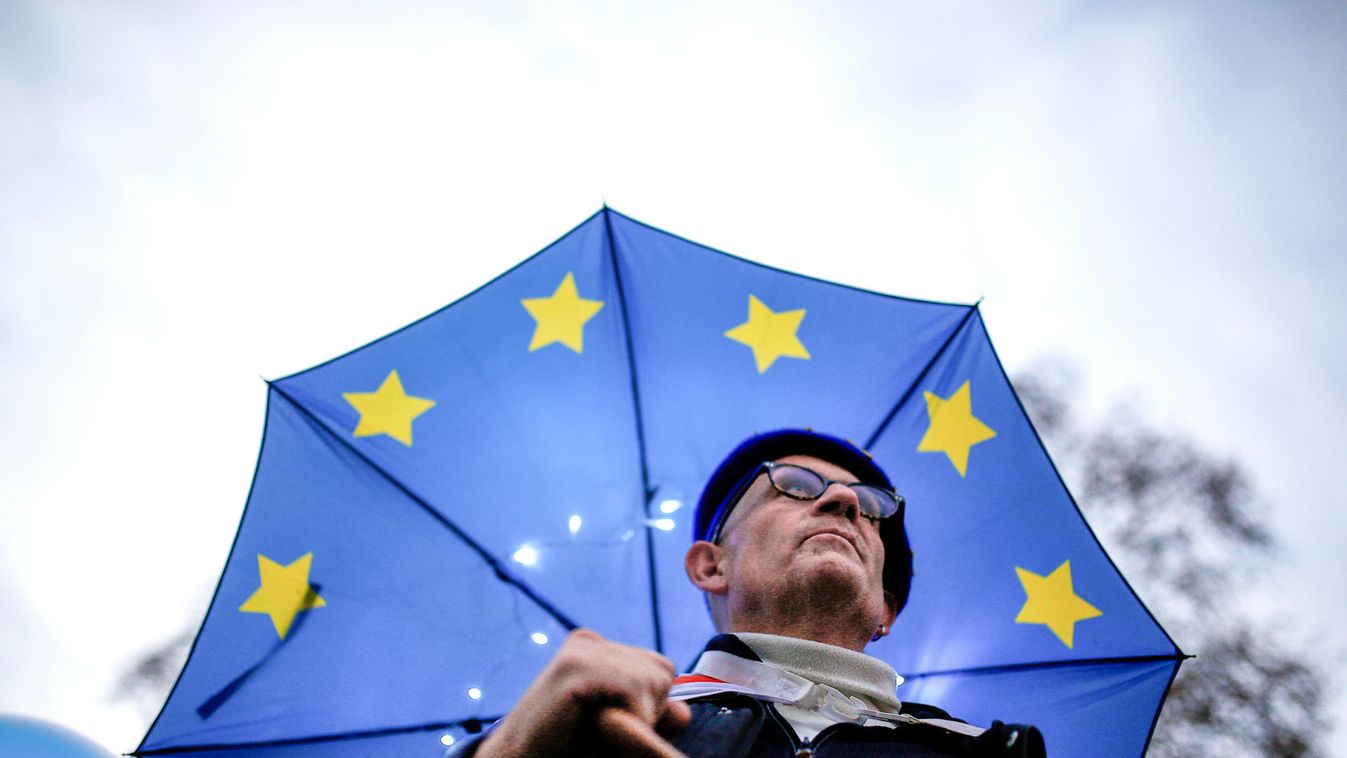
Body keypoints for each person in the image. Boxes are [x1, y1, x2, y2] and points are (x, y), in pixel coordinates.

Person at [461, 429, 1044, 757]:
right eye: (791, 487)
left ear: (886, 608)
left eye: (871, 507)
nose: (843, 503)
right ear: (710, 566)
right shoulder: (593, 722)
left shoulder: (987, 754)